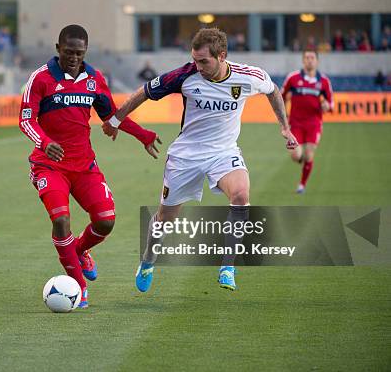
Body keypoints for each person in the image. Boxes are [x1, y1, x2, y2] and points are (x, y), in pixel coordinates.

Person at [102, 27, 297, 291]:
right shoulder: (185, 76)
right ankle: (148, 260)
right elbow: (145, 91)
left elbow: (273, 90)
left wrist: (284, 126)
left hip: (224, 151)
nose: (198, 66)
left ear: (222, 56)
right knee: (165, 220)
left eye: (203, 61)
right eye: (195, 60)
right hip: (186, 156)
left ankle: (228, 267)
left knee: (241, 195)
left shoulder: (248, 76)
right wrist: (115, 119)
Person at [19, 25, 160, 308]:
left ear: (85, 52)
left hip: (84, 166)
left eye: (79, 53)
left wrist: (142, 134)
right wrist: (45, 143)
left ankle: (80, 251)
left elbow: (111, 115)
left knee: (106, 221)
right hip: (50, 166)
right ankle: (78, 285)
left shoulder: (94, 78)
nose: (73, 57)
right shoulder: (40, 79)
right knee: (61, 220)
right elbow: (26, 120)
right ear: (57, 48)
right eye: (68, 52)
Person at [281, 50, 333, 194]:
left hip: (314, 123)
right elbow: (281, 97)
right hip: (295, 123)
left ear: (317, 61)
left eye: (312, 58)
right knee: (295, 155)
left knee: (309, 155)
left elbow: (330, 103)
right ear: (303, 60)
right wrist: (284, 114)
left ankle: (302, 184)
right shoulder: (293, 78)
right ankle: (303, 160)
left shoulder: (323, 81)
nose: (309, 60)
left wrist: (326, 106)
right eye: (307, 58)